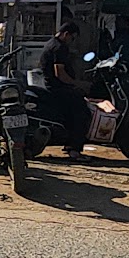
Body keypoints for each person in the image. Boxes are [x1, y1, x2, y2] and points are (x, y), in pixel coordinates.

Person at [38, 20, 88, 158]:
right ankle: (75, 149)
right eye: (72, 38)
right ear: (66, 34)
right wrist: (76, 83)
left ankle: (69, 143)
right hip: (58, 88)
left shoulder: (50, 44)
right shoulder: (59, 47)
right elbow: (59, 73)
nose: (72, 42)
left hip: (52, 86)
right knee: (81, 112)